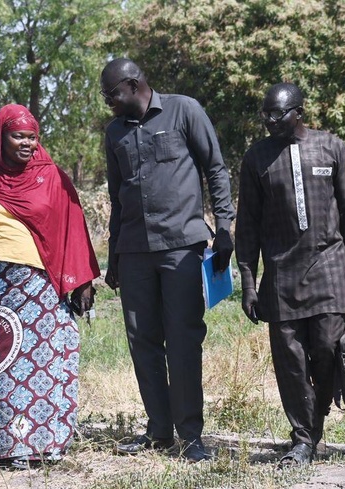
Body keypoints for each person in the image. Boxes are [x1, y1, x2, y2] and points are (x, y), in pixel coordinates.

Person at [0, 104, 99, 467]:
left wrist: (82, 283)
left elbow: (72, 228)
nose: (27, 143)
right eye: (18, 136)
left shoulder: (52, 177)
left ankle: (42, 445)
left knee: (40, 366)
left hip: (38, 287)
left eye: (32, 137)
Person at [100, 58, 235, 462]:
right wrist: (115, 256)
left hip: (182, 246)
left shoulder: (184, 110)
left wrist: (225, 227)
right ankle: (159, 430)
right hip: (136, 251)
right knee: (143, 341)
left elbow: (215, 168)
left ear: (133, 83)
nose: (108, 102)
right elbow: (116, 197)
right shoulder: (114, 133)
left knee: (182, 339)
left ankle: (190, 435)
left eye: (112, 94)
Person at [235, 82, 345, 468]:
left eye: (279, 115)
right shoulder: (256, 158)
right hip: (280, 275)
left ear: (299, 113)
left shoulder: (331, 147)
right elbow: (248, 226)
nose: (272, 122)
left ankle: (315, 423)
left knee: (327, 352)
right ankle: (303, 440)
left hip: (330, 270)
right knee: (291, 363)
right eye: (267, 115)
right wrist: (247, 281)